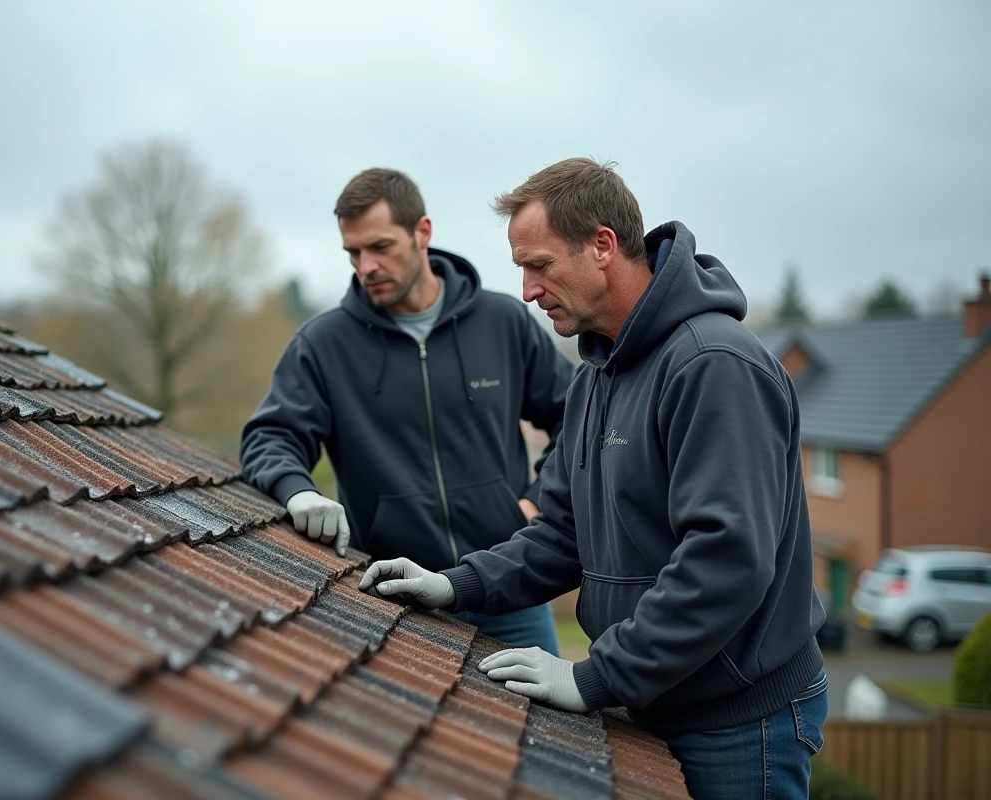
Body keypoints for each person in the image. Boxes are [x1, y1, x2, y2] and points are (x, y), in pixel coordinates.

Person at [360, 158, 828, 799]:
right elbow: (561, 534)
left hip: (739, 721)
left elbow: (727, 560)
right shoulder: (595, 375)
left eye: (540, 265)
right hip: (659, 700)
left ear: (602, 246)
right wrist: (453, 584)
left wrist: (595, 677)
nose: (526, 290)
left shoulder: (712, 365)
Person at [241, 167, 574, 654]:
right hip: (395, 598)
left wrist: (532, 502)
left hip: (509, 592)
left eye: (380, 247)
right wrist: (297, 493)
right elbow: (271, 437)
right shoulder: (324, 344)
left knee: (542, 730)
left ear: (422, 232)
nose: (365, 265)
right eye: (353, 252)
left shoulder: (504, 322)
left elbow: (578, 420)